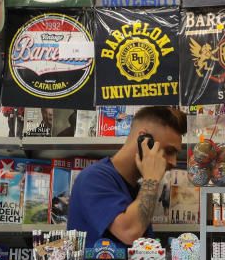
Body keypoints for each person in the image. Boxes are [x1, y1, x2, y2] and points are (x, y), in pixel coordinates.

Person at [68, 106, 186, 249]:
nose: (173, 161)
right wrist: (152, 179)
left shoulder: (135, 190)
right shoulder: (93, 178)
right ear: (143, 140)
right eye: (169, 151)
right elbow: (130, 232)